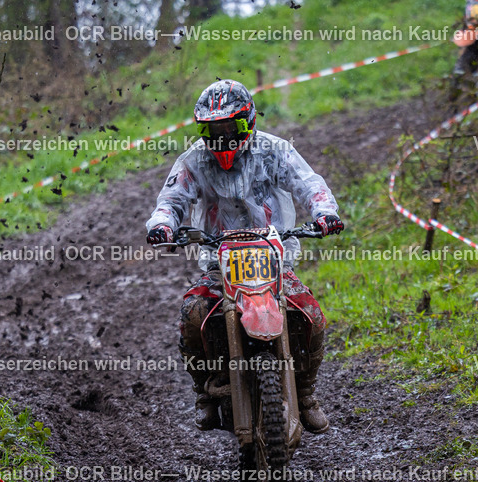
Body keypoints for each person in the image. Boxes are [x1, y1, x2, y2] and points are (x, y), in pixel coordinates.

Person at [145, 79, 344, 434]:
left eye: (229, 127)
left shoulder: (275, 150)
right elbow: (171, 200)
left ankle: (306, 393)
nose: (221, 136)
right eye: (212, 129)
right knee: (193, 315)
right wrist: (162, 224)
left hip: (274, 258)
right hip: (219, 262)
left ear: (248, 121)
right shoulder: (193, 160)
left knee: (311, 317)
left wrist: (324, 211)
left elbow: (309, 183)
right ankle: (204, 393)